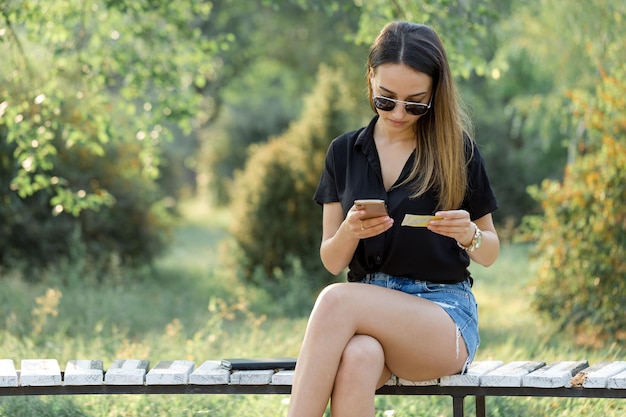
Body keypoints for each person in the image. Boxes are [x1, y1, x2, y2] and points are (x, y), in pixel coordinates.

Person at [285, 21, 500, 417]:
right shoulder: (343, 153)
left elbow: (490, 251)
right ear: (370, 79)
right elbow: (333, 260)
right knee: (358, 358)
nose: (399, 113)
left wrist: (469, 234)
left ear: (435, 93)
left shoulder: (458, 152)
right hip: (368, 320)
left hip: (442, 317)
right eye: (386, 100)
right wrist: (350, 231)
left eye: (415, 103)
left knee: (335, 301)